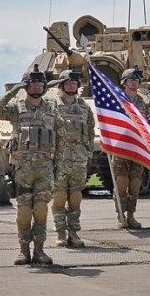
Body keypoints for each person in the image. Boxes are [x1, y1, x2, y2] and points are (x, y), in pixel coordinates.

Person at [0, 65, 65, 266]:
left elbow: (60, 138)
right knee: (23, 211)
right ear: (26, 86)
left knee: (40, 209)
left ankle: (39, 250)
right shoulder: (16, 108)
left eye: (39, 83)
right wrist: (13, 90)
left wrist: (57, 165)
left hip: (45, 169)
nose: (36, 86)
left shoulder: (52, 109)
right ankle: (23, 250)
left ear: (44, 86)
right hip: (23, 169)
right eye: (32, 83)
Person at [49, 69, 94, 247]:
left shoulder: (84, 107)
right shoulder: (53, 106)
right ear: (61, 85)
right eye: (67, 83)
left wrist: (89, 152)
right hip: (60, 158)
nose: (71, 85)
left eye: (74, 83)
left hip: (79, 158)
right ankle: (60, 231)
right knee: (59, 196)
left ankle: (73, 232)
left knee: (75, 197)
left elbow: (90, 130)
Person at [111, 67, 150, 229]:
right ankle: (121, 214)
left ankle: (131, 215)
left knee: (135, 182)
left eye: (136, 80)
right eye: (131, 80)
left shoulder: (143, 102)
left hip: (138, 147)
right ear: (124, 82)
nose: (134, 82)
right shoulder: (117, 101)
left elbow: (148, 125)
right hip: (121, 147)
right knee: (121, 181)